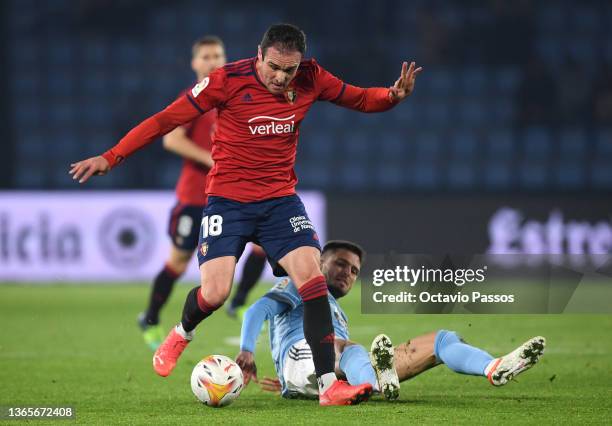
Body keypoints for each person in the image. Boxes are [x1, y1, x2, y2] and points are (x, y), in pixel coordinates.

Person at [69, 23, 422, 406]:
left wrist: (392, 96)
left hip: (279, 202)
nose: (281, 77)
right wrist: (112, 156)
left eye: (289, 70)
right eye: (273, 67)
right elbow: (165, 120)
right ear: (259, 54)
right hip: (227, 200)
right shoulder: (226, 80)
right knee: (215, 292)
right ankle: (181, 333)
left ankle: (327, 385)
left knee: (312, 279)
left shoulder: (312, 77)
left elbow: (360, 99)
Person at [238, 240, 547, 400]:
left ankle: (493, 368)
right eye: (341, 264)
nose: (348, 273)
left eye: (355, 271)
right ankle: (373, 382)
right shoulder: (300, 283)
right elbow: (257, 311)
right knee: (347, 348)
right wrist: (248, 350)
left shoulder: (336, 310)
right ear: (318, 262)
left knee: (440, 340)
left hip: (335, 370)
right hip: (307, 359)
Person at [137, 36, 268, 350]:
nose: (212, 61)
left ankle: (237, 302)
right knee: (179, 262)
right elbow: (171, 140)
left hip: (233, 196)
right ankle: (151, 318)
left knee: (263, 246)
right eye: (206, 56)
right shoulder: (194, 100)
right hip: (195, 198)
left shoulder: (234, 97)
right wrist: (211, 158)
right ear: (195, 63)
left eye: (218, 55)